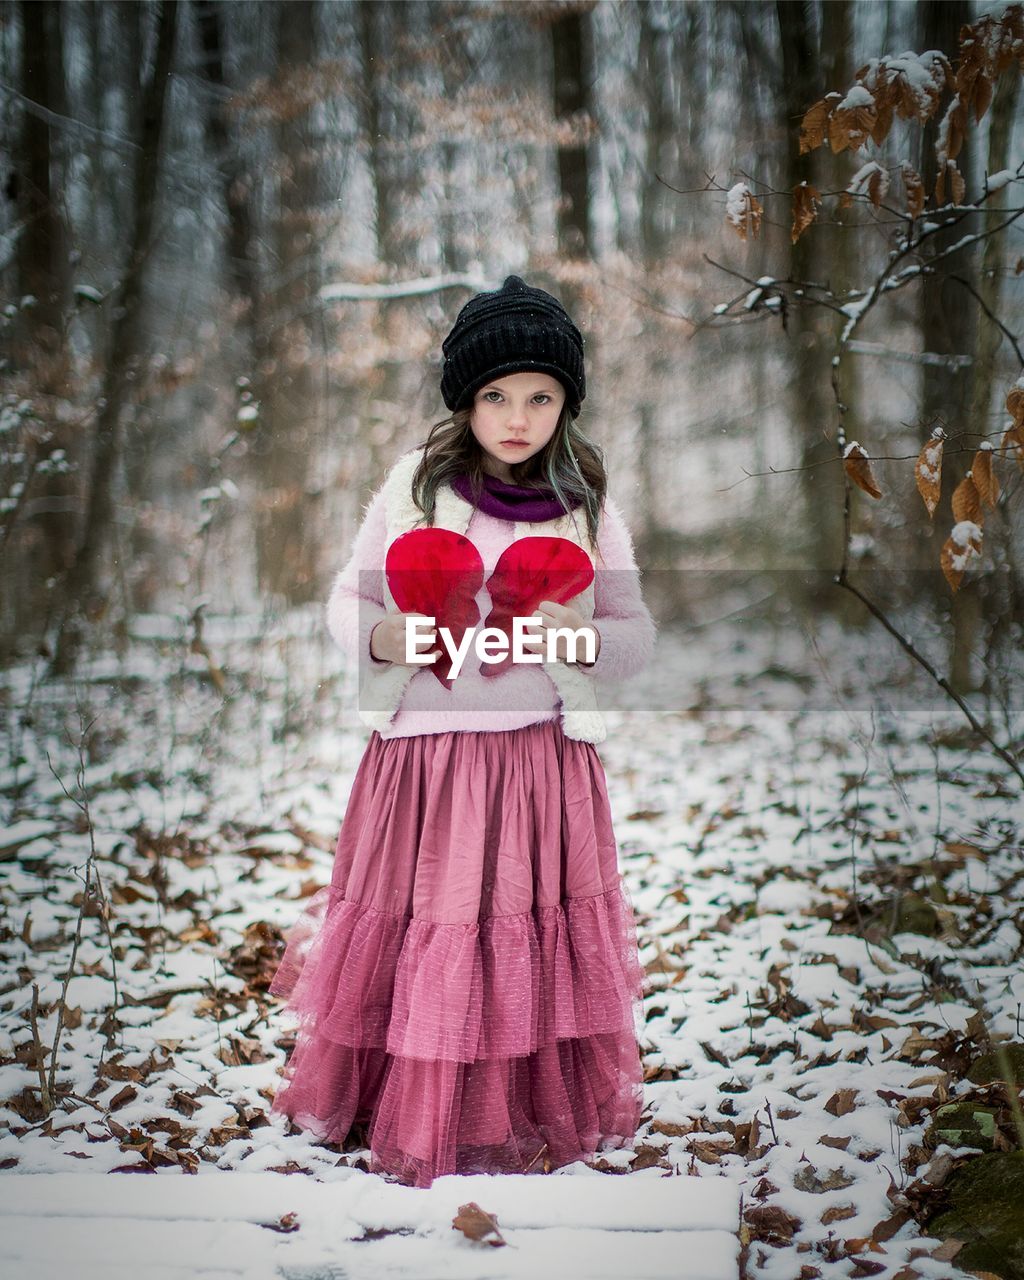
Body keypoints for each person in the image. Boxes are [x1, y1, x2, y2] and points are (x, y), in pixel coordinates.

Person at [268, 274, 657, 1188]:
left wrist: (589, 638)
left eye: (540, 397)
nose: (517, 416)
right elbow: (345, 600)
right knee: (429, 928)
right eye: (496, 396)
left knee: (514, 932)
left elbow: (636, 640)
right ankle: (390, 1104)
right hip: (424, 765)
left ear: (566, 404)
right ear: (465, 402)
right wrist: (376, 633)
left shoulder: (588, 509)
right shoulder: (413, 491)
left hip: (536, 763)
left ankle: (517, 1109)